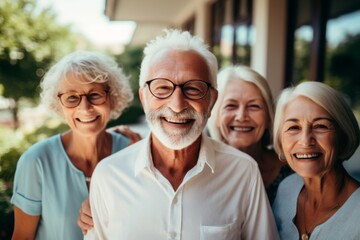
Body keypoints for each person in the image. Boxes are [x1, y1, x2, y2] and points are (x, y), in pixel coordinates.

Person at [85, 29, 279, 239]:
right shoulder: (108, 176)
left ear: (212, 100)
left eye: (193, 89)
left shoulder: (243, 172)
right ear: (144, 98)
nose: (177, 105)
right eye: (161, 88)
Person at [10, 50, 138, 239]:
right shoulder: (35, 161)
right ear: (59, 104)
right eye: (72, 98)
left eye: (95, 94)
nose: (85, 108)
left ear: (112, 97)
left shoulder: (133, 152)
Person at [272, 81, 360, 239]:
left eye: (321, 126)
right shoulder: (286, 189)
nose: (305, 141)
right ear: (280, 141)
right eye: (294, 127)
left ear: (343, 136)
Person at [207, 65, 292, 205]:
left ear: (269, 117)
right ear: (215, 115)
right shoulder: (202, 173)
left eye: (254, 106)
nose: (241, 117)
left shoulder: (293, 170)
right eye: (231, 106)